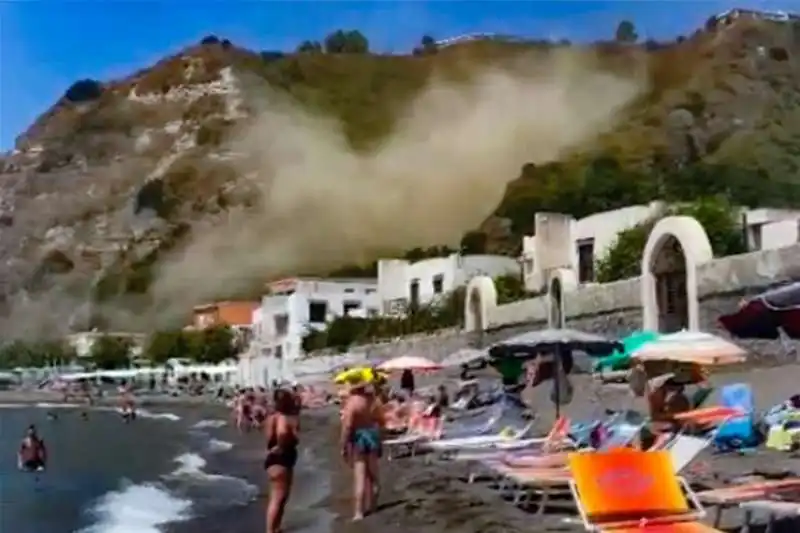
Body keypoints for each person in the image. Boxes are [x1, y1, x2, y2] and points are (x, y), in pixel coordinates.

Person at [340, 381, 382, 521]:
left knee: (360, 475)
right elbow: (380, 420)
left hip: (359, 437)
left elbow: (347, 426)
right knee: (373, 474)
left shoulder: (352, 402)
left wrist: (343, 445)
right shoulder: (373, 400)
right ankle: (373, 504)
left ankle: (359, 512)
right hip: (373, 434)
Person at [264, 388, 300, 533]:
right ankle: (271, 530)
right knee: (278, 498)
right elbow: (283, 432)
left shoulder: (270, 418)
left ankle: (276, 528)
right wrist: (282, 444)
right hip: (282, 458)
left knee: (279, 497)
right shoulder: (283, 418)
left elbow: (268, 439)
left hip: (273, 459)